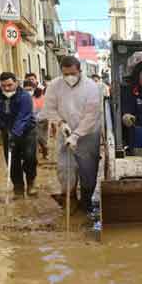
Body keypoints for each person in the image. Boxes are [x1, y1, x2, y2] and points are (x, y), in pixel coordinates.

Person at [41, 56, 103, 215]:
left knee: (88, 172)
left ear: (79, 70)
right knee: (65, 169)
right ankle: (70, 200)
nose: (69, 77)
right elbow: (49, 108)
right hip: (65, 132)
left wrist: (76, 135)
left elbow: (92, 115)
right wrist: (61, 123)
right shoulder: (55, 85)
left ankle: (86, 202)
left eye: (72, 73)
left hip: (88, 134)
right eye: (65, 74)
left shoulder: (91, 87)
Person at [0, 72, 38, 199]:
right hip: (7, 131)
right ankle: (18, 189)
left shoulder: (24, 96)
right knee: (12, 160)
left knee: (29, 157)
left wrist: (14, 133)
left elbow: (23, 117)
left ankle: (31, 183)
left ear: (16, 82)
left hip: (27, 132)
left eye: (9, 85)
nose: (7, 88)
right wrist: (4, 128)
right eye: (4, 86)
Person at [24, 79, 48, 159]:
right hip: (28, 123)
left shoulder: (39, 97)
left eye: (30, 89)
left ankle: (45, 151)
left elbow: (44, 109)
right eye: (26, 90)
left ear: (33, 89)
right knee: (33, 141)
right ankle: (34, 158)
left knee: (41, 139)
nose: (28, 91)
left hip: (40, 121)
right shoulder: (22, 98)